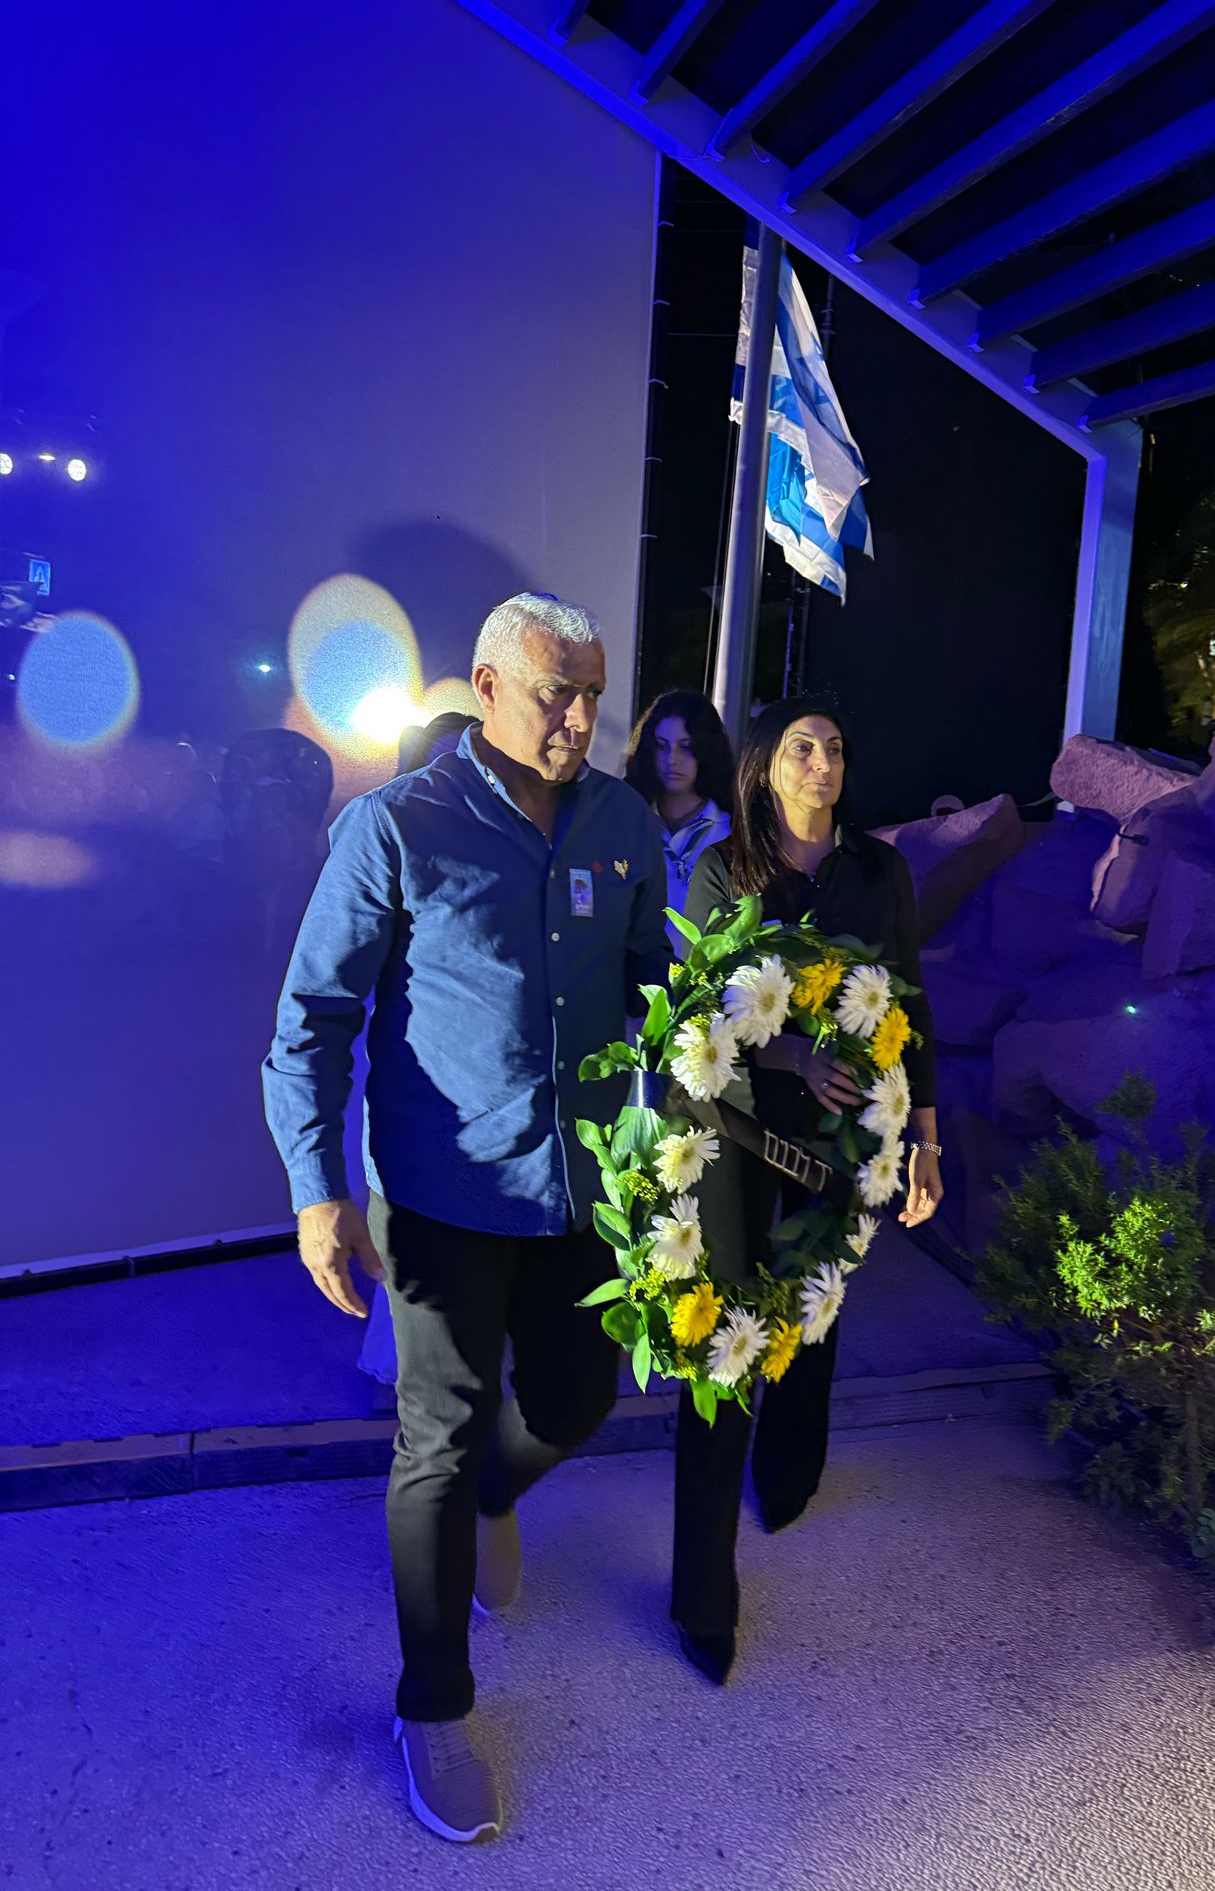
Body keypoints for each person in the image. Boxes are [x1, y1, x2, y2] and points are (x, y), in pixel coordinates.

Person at [262, 592, 669, 1844]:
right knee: (433, 1438)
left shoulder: (623, 821)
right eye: (558, 693)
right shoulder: (397, 827)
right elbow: (311, 1022)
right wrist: (318, 1191)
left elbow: (658, 988)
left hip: (581, 1188)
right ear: (488, 687)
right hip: (440, 1196)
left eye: (593, 692)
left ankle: (501, 1490)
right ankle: (431, 1705)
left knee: (576, 1401)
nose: (582, 717)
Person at [672, 696, 943, 1684]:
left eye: (834, 747)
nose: (822, 763)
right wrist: (789, 1052)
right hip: (743, 1131)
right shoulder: (725, 869)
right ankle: (702, 1589)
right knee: (730, 1335)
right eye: (801, 747)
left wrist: (927, 1137)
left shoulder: (878, 870)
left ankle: (789, 1474)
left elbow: (909, 1000)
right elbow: (701, 1008)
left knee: (815, 1310)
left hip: (847, 1135)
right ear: (765, 764)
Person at [357, 710, 480, 1394]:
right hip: (402, 1061)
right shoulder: (385, 838)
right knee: (406, 1213)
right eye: (440, 759)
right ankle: (401, 1363)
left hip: (473, 1072)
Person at [623, 691, 732, 955]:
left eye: (686, 747)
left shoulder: (732, 827)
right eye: (662, 746)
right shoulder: (628, 821)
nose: (672, 759)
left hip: (708, 975)